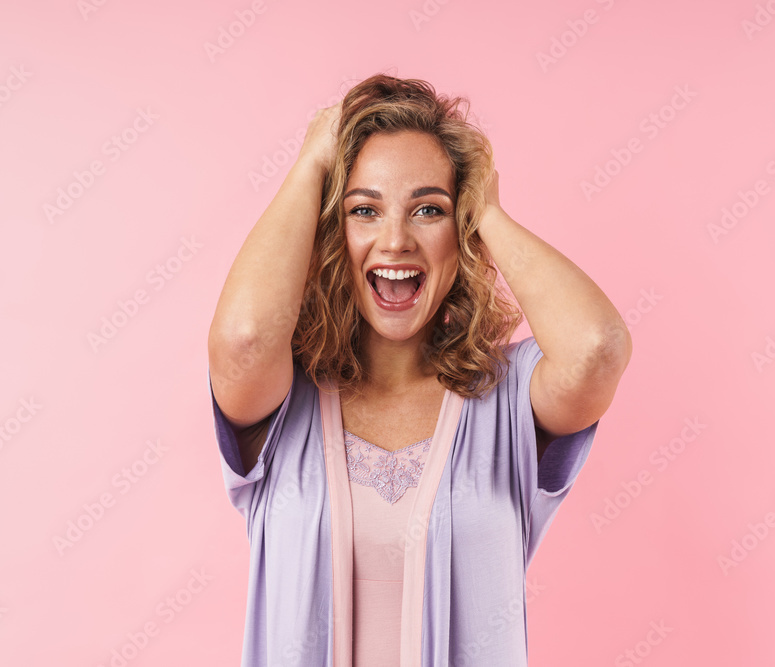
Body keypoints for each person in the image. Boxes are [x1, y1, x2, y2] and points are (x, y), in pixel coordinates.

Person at [207, 73, 632, 666]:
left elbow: (597, 348)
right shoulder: (283, 400)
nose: (396, 239)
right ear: (331, 233)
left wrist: (483, 206)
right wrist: (310, 166)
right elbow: (246, 339)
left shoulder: (508, 398)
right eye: (365, 210)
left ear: (459, 233)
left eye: (429, 209)